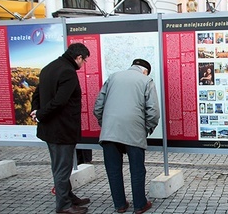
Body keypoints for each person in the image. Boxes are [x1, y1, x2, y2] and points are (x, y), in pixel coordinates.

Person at [93, 58, 160, 214]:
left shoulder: (113, 77)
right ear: (145, 71)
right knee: (137, 170)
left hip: (110, 133)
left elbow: (98, 106)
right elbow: (153, 111)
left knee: (113, 169)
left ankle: (120, 205)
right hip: (134, 132)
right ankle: (140, 205)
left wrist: (106, 124)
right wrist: (147, 128)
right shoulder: (146, 80)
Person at [30, 43, 91, 214]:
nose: (83, 64)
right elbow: (60, 101)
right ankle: (64, 205)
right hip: (62, 129)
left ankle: (69, 196)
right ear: (78, 57)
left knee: (59, 166)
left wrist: (36, 111)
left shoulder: (49, 68)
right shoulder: (68, 72)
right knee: (62, 168)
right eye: (84, 61)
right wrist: (41, 114)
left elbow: (36, 94)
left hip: (50, 129)